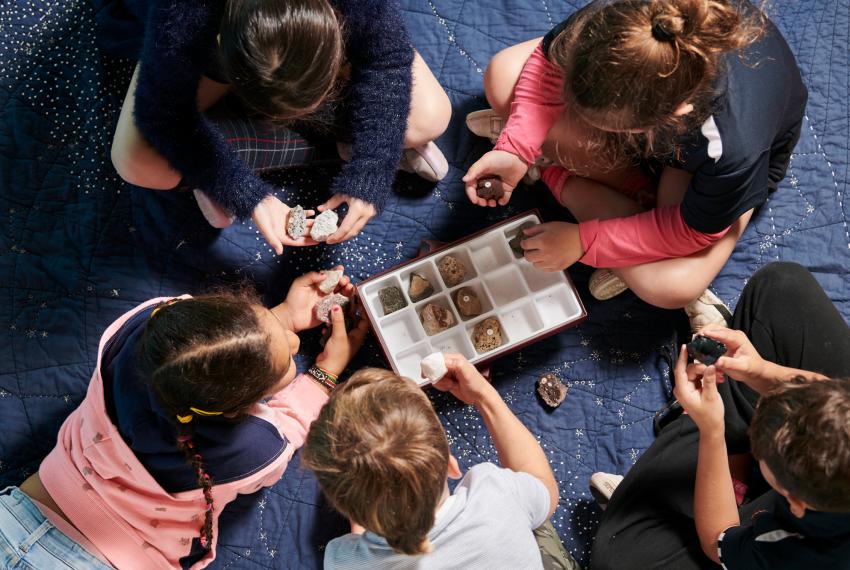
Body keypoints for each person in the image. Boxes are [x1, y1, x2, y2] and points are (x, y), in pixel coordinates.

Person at [463, 0, 807, 331]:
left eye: (609, 128)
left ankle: (555, 173)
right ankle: (599, 209)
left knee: (669, 286)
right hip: (650, 109)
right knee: (503, 76)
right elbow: (547, 68)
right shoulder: (622, 16)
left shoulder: (732, 149)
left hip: (701, 174)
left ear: (670, 119)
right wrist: (516, 149)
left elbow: (689, 230)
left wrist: (584, 241)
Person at [0, 269, 369, 568]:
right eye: (287, 363)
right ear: (234, 411)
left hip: (23, 512)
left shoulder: (146, 325)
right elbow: (291, 426)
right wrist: (325, 372)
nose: (294, 343)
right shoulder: (254, 452)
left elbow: (193, 331)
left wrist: (279, 317)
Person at [98, 0, 452, 253]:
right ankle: (212, 162)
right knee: (136, 162)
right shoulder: (183, 20)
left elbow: (387, 59)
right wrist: (247, 195)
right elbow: (163, 116)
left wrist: (373, 167)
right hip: (201, 37)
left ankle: (207, 161)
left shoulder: (356, 10)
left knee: (431, 116)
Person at [589, 262, 850, 569]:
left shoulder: (797, 554)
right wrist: (759, 370)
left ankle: (707, 441)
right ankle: (718, 442)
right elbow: (826, 390)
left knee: (620, 560)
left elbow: (719, 540)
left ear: (795, 503)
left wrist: (712, 431)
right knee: (781, 286)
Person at [302, 359, 581, 569]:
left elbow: (361, 538)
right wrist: (484, 395)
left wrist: (368, 500)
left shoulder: (347, 561)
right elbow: (546, 490)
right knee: (531, 507)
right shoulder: (496, 493)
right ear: (451, 465)